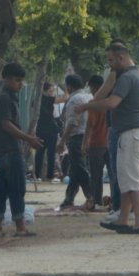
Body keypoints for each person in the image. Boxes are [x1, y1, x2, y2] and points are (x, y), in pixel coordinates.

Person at [76, 40, 139, 234]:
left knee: (133, 181)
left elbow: (111, 103)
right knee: (126, 180)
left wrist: (87, 106)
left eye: (111, 61)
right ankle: (123, 219)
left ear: (121, 57)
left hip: (132, 134)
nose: (110, 65)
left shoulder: (127, 78)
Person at [0, 63, 43, 237]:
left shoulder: (6, 98)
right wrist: (28, 138)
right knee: (16, 189)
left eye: (22, 81)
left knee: (1, 189)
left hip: (1, 151)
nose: (20, 84)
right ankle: (20, 227)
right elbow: (7, 125)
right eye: (17, 80)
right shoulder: (4, 99)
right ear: (5, 79)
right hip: (10, 151)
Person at [57, 74, 94, 209]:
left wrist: (62, 141)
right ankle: (69, 198)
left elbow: (72, 122)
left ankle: (91, 196)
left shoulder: (74, 100)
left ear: (69, 87)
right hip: (89, 136)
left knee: (80, 168)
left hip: (77, 137)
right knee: (75, 169)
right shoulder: (89, 97)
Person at [82, 75, 110, 208]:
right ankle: (116, 201)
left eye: (91, 87)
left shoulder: (94, 103)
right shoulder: (111, 101)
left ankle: (97, 201)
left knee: (96, 175)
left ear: (95, 87)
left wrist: (84, 142)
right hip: (111, 143)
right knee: (114, 174)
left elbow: (90, 125)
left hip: (97, 143)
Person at [34, 82, 68, 181]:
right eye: (50, 91)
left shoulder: (36, 100)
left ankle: (37, 175)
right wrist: (66, 89)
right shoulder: (48, 99)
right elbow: (65, 98)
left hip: (40, 129)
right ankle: (50, 176)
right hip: (50, 129)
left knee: (39, 153)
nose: (52, 93)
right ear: (44, 91)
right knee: (51, 154)